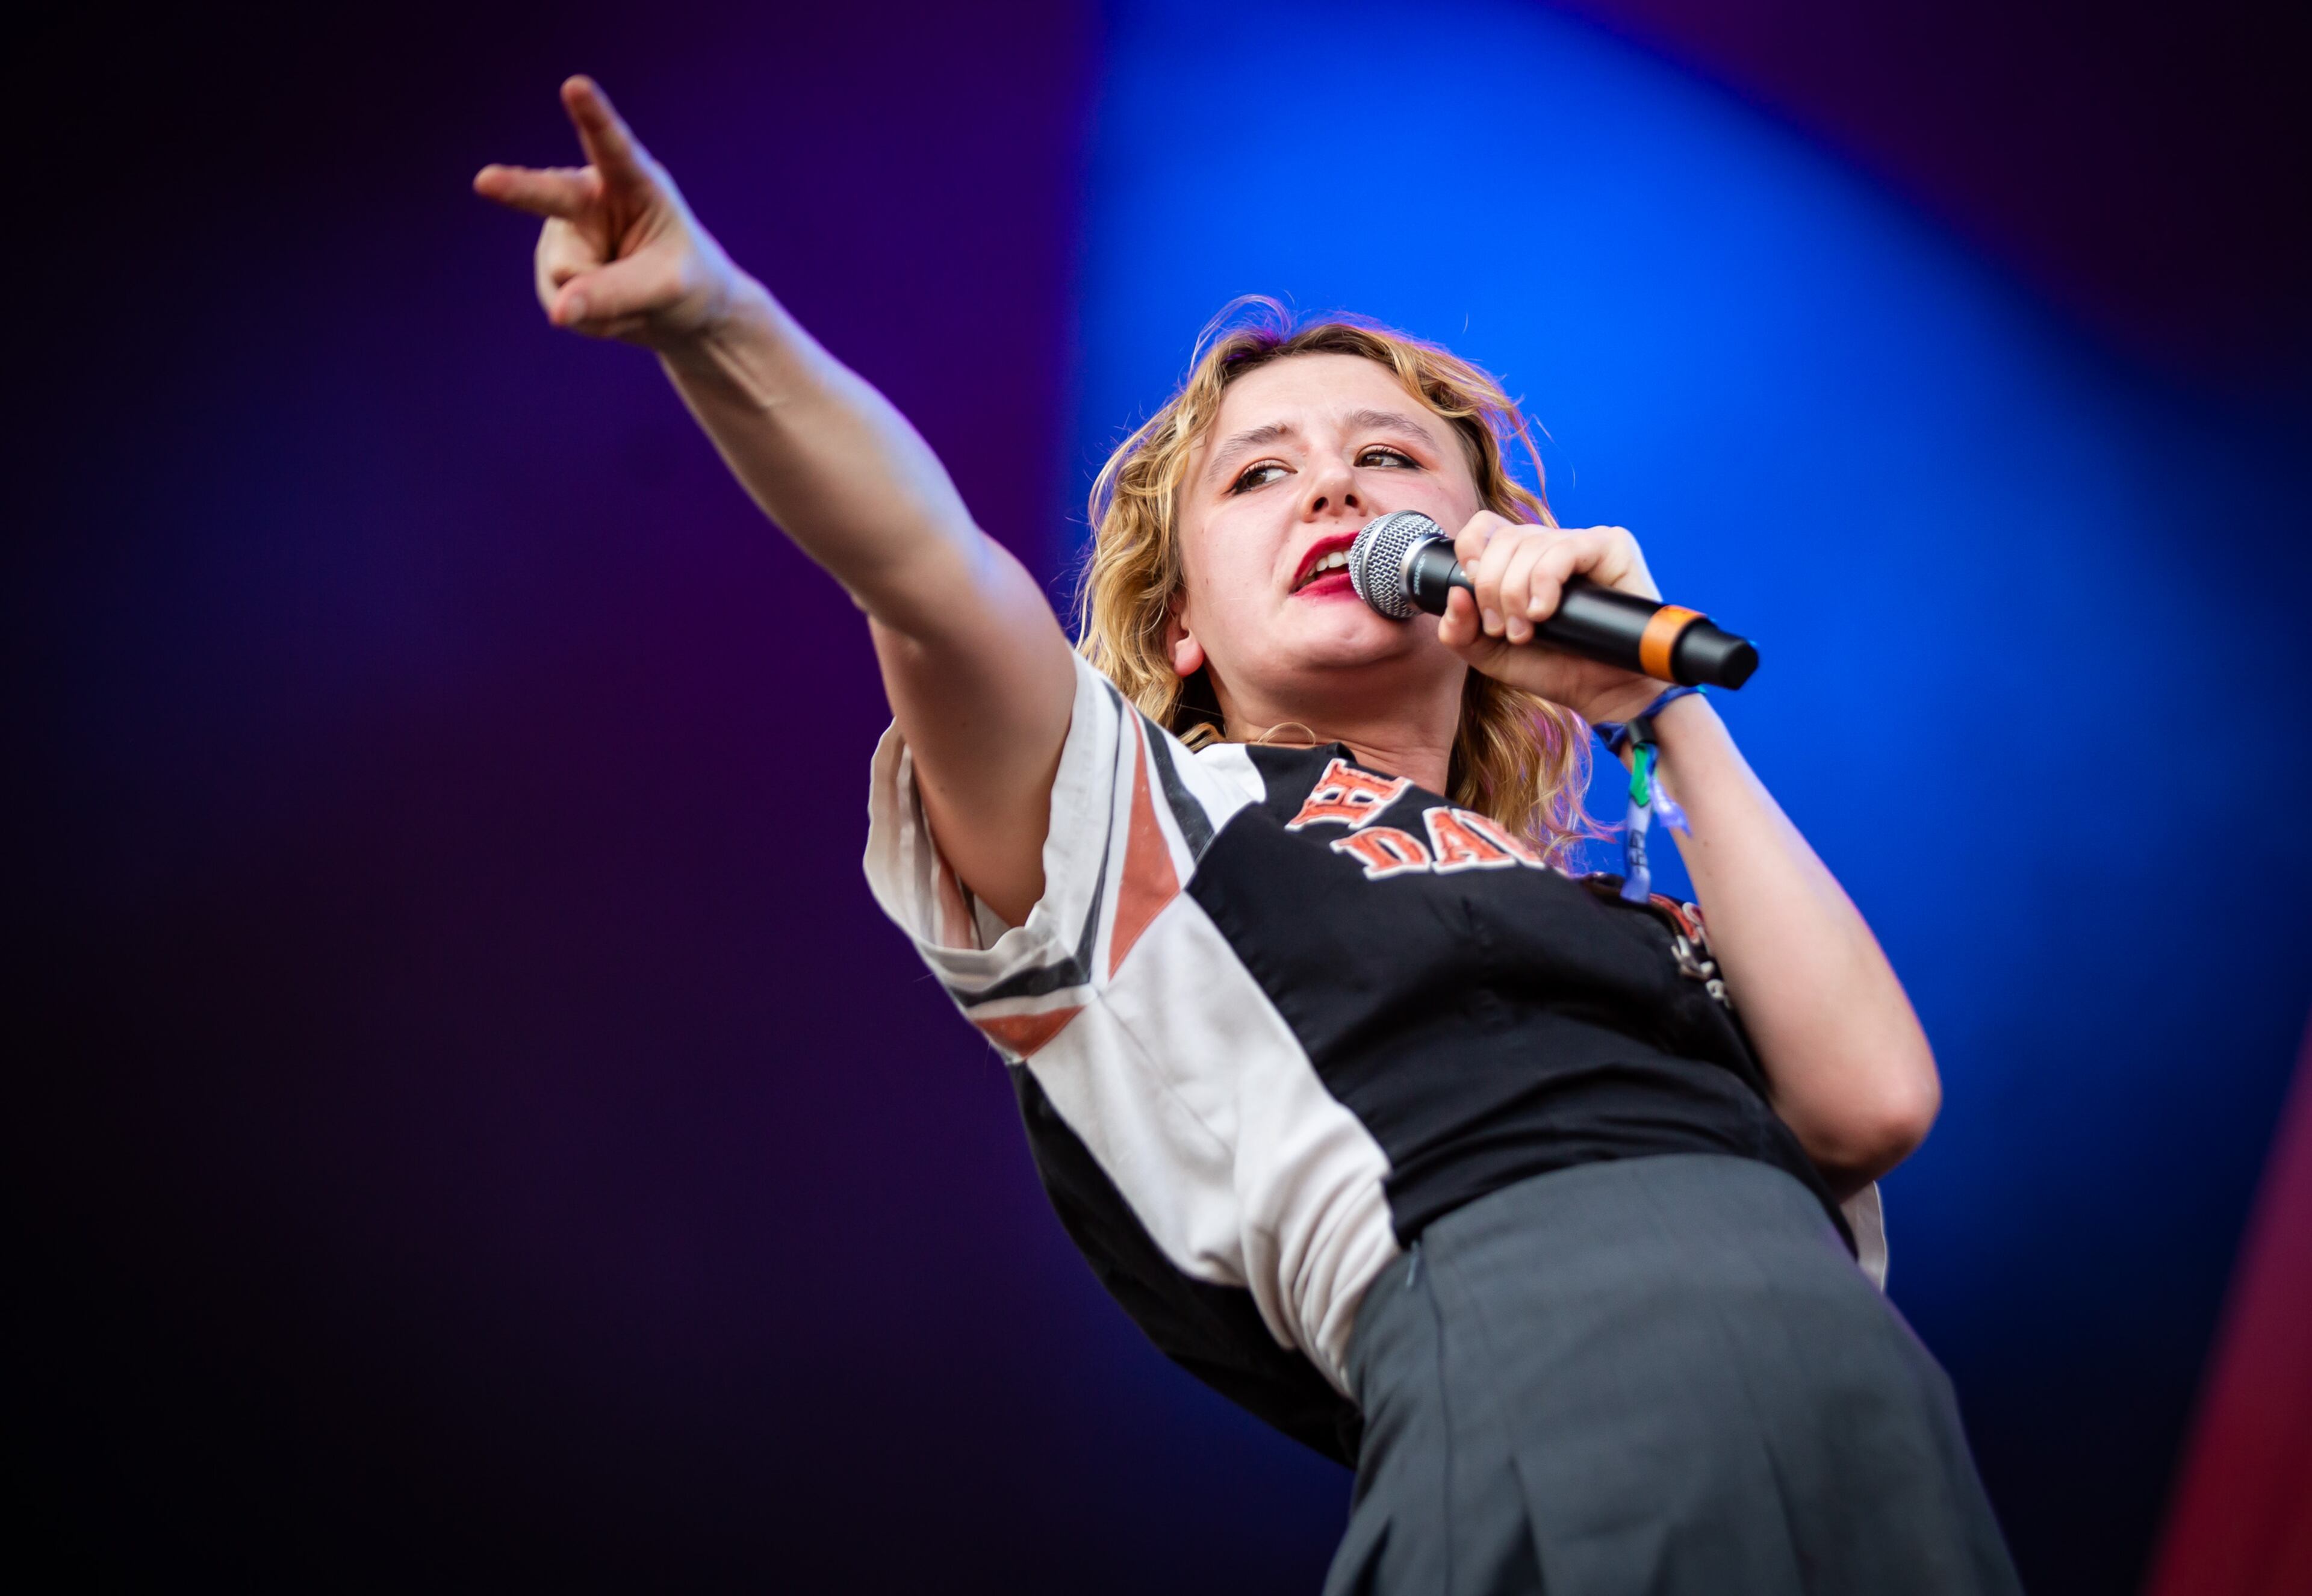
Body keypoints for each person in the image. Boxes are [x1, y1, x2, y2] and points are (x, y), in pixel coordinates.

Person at [477, 76, 2023, 1595]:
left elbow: (1872, 1101)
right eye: (1262, 475)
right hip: (1534, 1368)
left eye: (1393, 459)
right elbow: (923, 570)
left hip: (1866, 1407)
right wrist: (715, 319)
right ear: (1184, 624)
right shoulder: (1138, 818)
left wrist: (1656, 711)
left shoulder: (1612, 906)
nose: (1337, 484)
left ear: (1480, 563)